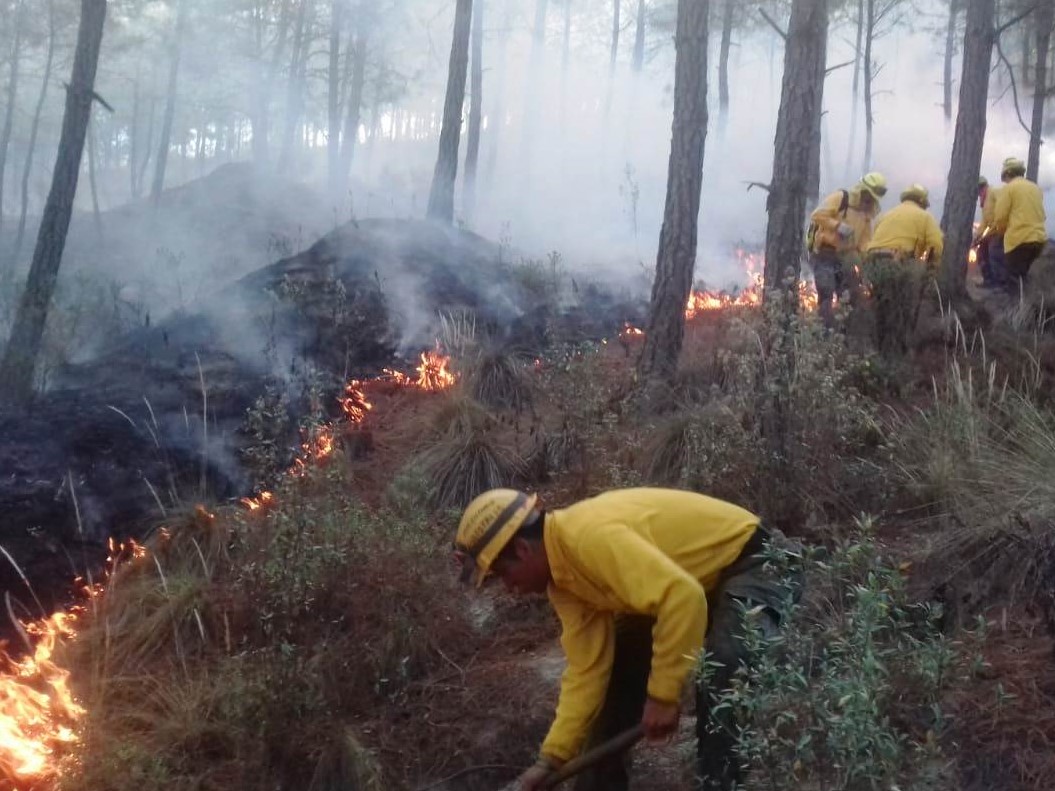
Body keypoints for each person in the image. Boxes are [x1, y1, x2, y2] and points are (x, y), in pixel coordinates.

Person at [453, 488, 794, 791]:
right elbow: (587, 671)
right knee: (613, 681)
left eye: (504, 574)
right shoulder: (563, 582)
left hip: (757, 561)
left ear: (522, 549)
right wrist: (552, 759)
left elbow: (683, 599)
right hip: (693, 580)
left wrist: (663, 695)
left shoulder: (588, 537)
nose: (510, 589)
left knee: (726, 665)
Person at [863, 184, 941, 357]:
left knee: (880, 305)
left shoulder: (886, 215)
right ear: (922, 201)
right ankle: (898, 351)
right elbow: (936, 245)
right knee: (903, 307)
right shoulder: (925, 217)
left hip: (872, 262)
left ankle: (875, 349)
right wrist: (932, 269)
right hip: (898, 261)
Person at [808, 171, 887, 328]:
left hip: (845, 259)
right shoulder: (841, 198)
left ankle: (844, 332)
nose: (869, 201)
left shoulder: (867, 214)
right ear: (862, 191)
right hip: (825, 253)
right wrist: (837, 226)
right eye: (868, 197)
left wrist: (869, 260)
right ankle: (823, 332)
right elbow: (817, 215)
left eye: (872, 199)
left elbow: (864, 244)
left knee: (848, 297)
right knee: (826, 293)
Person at [993, 157, 1048, 294]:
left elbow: (1000, 217)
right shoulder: (1035, 188)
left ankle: (1016, 305)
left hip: (1019, 241)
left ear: (1007, 173)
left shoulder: (1009, 188)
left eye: (1004, 177)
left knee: (1014, 280)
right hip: (1039, 241)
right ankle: (1032, 303)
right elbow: (1041, 214)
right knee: (1025, 278)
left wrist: (1001, 232)